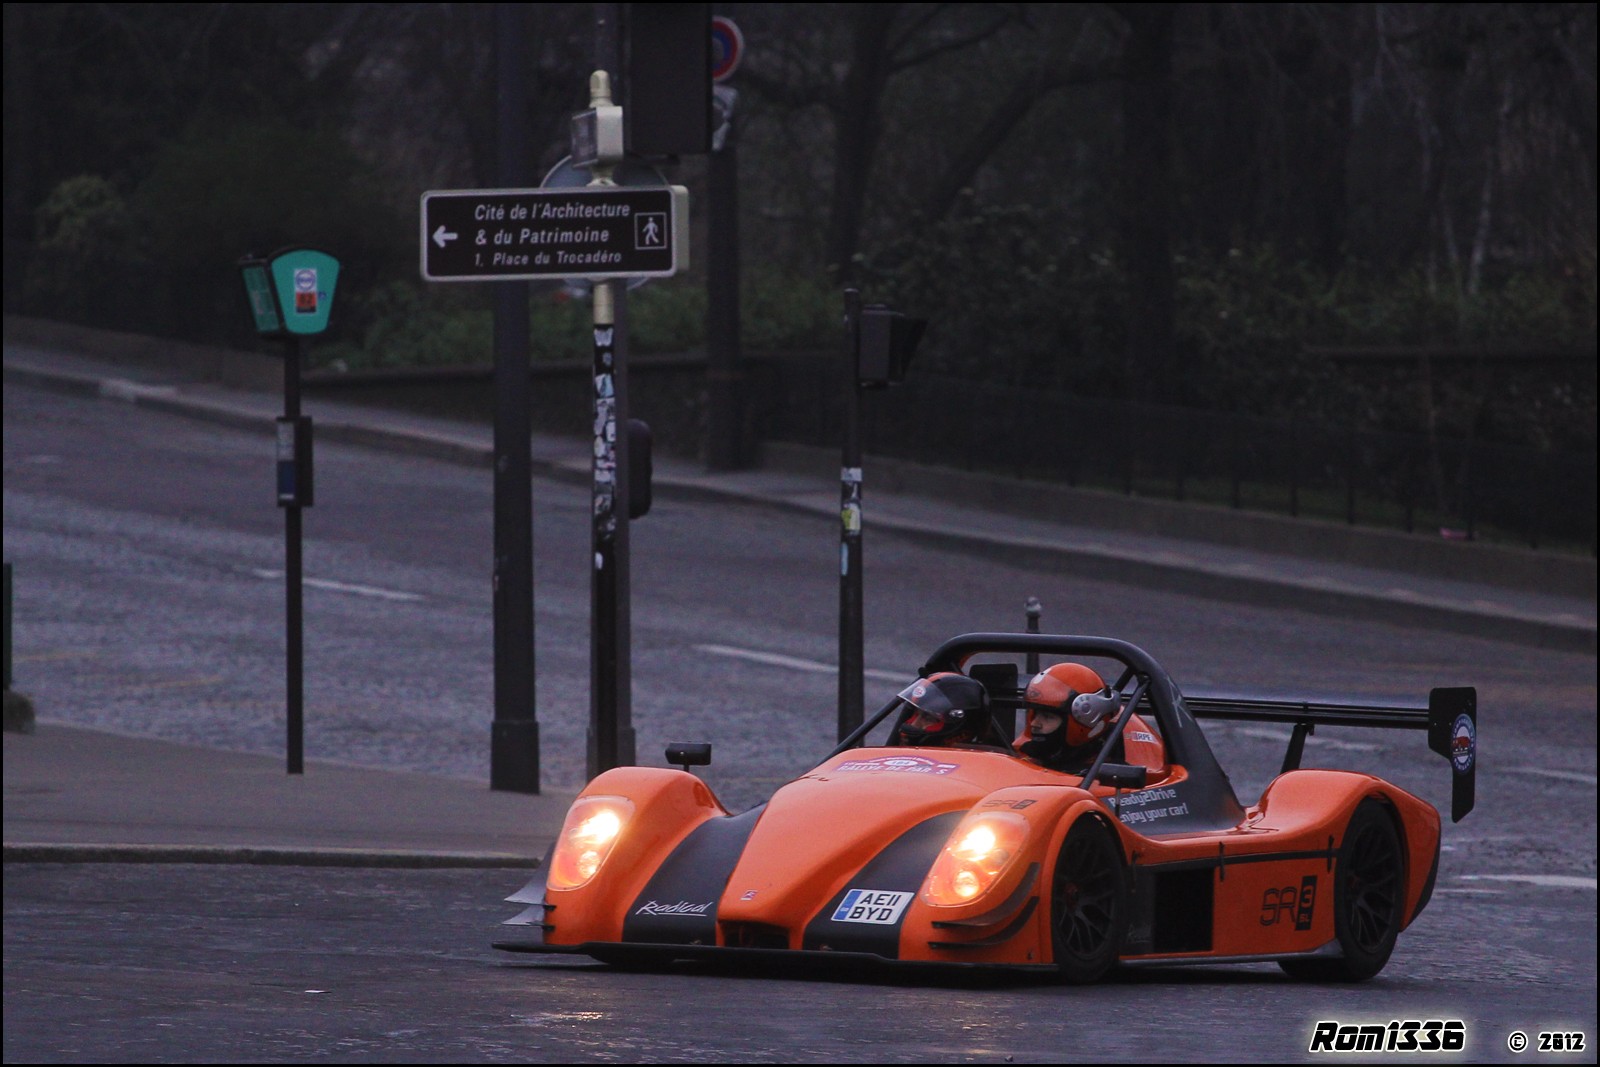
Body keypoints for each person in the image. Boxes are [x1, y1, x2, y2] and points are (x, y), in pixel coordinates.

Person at [1015, 662, 1121, 772]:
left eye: (1047, 717)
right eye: (1035, 714)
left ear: (1084, 721)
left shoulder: (1110, 778)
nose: (1034, 723)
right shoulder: (1024, 758)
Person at [892, 671, 994, 747]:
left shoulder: (989, 768)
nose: (914, 725)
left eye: (928, 718)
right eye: (915, 714)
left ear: (962, 732)